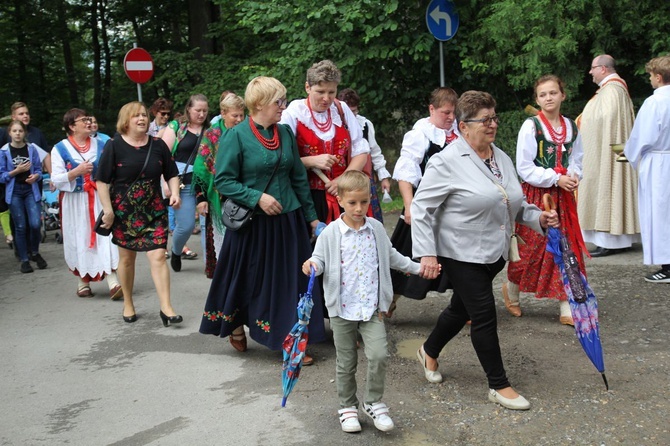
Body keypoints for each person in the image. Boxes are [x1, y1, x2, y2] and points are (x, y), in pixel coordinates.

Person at [411, 91, 559, 410]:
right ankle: (498, 384)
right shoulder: (446, 161)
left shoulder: (499, 157)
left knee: (461, 309)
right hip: (460, 252)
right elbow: (422, 208)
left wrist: (539, 218)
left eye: (494, 117)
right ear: (464, 126)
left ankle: (429, 350)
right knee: (483, 314)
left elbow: (512, 202)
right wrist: (427, 253)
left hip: (494, 252)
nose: (492, 125)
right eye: (485, 120)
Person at [199, 76, 325, 361]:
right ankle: (234, 323)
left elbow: (297, 179)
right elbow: (224, 181)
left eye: (283, 100)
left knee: (291, 281)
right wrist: (258, 198)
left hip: (288, 221)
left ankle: (289, 340)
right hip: (252, 225)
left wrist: (311, 218)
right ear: (259, 104)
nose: (283, 106)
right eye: (278, 101)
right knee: (246, 279)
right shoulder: (237, 136)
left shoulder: (285, 133)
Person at [302, 170, 438, 433]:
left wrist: (418, 267)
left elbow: (392, 257)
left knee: (378, 355)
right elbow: (319, 258)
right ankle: (347, 406)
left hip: (372, 308)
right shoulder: (331, 232)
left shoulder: (375, 228)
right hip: (342, 309)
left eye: (364, 202)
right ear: (340, 200)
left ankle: (373, 402)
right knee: (346, 361)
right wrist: (312, 265)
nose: (359, 208)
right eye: (352, 202)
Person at [504, 75, 585, 325]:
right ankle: (512, 288)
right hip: (537, 196)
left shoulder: (571, 126)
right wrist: (554, 178)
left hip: (564, 199)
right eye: (542, 95)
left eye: (552, 93)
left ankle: (566, 304)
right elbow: (524, 167)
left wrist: (573, 177)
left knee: (565, 248)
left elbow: (578, 159)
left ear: (563, 95)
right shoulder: (531, 126)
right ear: (537, 99)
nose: (548, 98)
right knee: (531, 250)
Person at [96, 101, 183, 326]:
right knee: (127, 260)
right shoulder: (114, 146)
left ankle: (166, 307)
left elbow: (172, 173)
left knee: (157, 256)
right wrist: (108, 211)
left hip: (154, 210)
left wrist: (174, 193)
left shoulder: (158, 145)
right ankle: (128, 302)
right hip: (125, 213)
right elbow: (102, 181)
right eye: (136, 116)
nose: (142, 119)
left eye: (144, 115)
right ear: (126, 120)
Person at [388, 87, 459, 315]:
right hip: (425, 204)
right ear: (432, 109)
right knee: (408, 253)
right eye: (445, 112)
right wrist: (409, 206)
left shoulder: (460, 133)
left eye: (453, 113)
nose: (450, 117)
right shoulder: (420, 135)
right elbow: (406, 173)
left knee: (459, 255)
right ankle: (389, 299)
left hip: (454, 206)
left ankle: (464, 305)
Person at [280, 59, 370, 224]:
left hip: (345, 195)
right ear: (308, 87)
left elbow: (361, 152)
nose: (326, 98)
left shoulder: (341, 109)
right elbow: (280, 158)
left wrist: (342, 180)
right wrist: (309, 161)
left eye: (331, 92)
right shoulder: (293, 113)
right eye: (320, 92)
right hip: (307, 198)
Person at [51, 109, 122, 298]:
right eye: (84, 120)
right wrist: (76, 172)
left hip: (100, 198)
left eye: (89, 119)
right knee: (79, 237)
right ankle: (83, 281)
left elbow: (114, 170)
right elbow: (56, 179)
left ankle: (113, 281)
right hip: (74, 202)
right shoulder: (60, 148)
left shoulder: (102, 144)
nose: (89, 123)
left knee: (104, 235)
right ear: (72, 126)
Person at [577, 55, 640, 257]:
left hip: (610, 153)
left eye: (593, 68)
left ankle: (612, 240)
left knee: (608, 186)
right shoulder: (610, 90)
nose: (590, 72)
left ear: (603, 69)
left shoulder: (613, 90)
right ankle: (612, 240)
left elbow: (607, 120)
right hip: (612, 151)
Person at [624, 55, 670, 283]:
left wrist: (630, 154)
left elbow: (642, 136)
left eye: (651, 76)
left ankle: (667, 266)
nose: (650, 80)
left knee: (660, 214)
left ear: (659, 77)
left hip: (659, 163)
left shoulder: (656, 102)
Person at [193, 92, 245, 278]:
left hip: (243, 196)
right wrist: (200, 198)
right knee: (222, 242)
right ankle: (225, 281)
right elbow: (201, 169)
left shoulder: (247, 132)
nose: (239, 119)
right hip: (218, 198)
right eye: (235, 115)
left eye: (242, 115)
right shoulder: (213, 135)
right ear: (223, 113)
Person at [161, 94, 210, 271]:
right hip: (182, 183)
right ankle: (176, 249)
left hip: (205, 183)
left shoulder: (211, 130)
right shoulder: (176, 128)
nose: (201, 114)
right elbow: (163, 157)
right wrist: (165, 182)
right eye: (198, 110)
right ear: (188, 109)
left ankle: (209, 264)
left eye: (205, 110)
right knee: (187, 225)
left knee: (207, 224)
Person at [337, 88, 391, 222]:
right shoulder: (335, 125)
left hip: (364, 178)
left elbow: (375, 152)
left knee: (371, 217)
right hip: (342, 181)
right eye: (349, 112)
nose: (352, 115)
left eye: (355, 111)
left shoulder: (365, 124)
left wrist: (383, 177)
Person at [0, 120, 47, 273]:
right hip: (14, 191)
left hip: (30, 190)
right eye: (15, 131)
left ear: (24, 133)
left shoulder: (32, 149)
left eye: (20, 131)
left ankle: (34, 252)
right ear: (10, 133)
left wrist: (36, 177)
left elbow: (40, 170)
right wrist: (16, 171)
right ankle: (24, 260)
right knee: (20, 226)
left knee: (35, 224)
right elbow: (1, 176)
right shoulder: (4, 151)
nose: (18, 134)